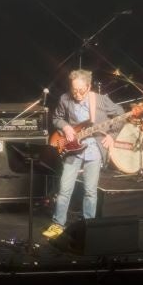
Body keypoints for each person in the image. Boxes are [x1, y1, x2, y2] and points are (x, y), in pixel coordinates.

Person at [44, 70, 121, 240]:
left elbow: (120, 114)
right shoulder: (65, 99)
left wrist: (112, 136)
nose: (77, 94)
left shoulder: (100, 100)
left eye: (81, 90)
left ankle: (88, 226)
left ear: (89, 86)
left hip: (94, 151)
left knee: (90, 192)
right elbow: (56, 118)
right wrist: (66, 127)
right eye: (74, 90)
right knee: (64, 189)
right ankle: (58, 224)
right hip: (73, 150)